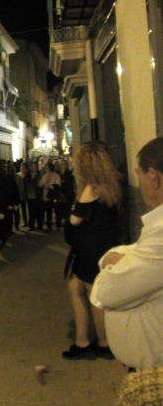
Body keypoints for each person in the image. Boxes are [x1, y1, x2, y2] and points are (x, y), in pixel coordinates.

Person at [90, 136, 163, 406]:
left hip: (153, 385)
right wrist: (117, 257)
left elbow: (107, 291)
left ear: (154, 177)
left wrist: (109, 265)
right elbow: (133, 255)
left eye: (139, 173)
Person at [62, 141, 122, 360]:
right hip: (102, 245)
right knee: (75, 286)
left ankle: (102, 343)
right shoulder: (111, 184)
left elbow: (75, 219)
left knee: (92, 294)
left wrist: (73, 204)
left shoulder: (90, 188)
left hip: (90, 248)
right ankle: (83, 340)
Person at [39, 162, 61, 230]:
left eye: (47, 168)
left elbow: (58, 185)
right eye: (45, 168)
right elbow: (40, 184)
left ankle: (58, 224)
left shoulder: (56, 175)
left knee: (57, 210)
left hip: (54, 195)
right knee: (48, 211)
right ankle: (49, 225)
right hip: (46, 196)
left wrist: (50, 186)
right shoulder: (45, 176)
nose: (46, 169)